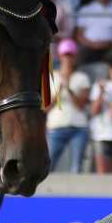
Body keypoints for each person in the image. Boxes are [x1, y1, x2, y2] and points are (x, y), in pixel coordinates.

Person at [45, 39, 91, 174]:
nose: (68, 58)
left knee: (77, 168)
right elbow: (46, 108)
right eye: (65, 55)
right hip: (55, 128)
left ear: (75, 56)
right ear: (60, 56)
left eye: (70, 55)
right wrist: (59, 90)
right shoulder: (50, 77)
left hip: (79, 127)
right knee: (49, 165)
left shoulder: (82, 77)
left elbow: (81, 105)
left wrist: (69, 89)